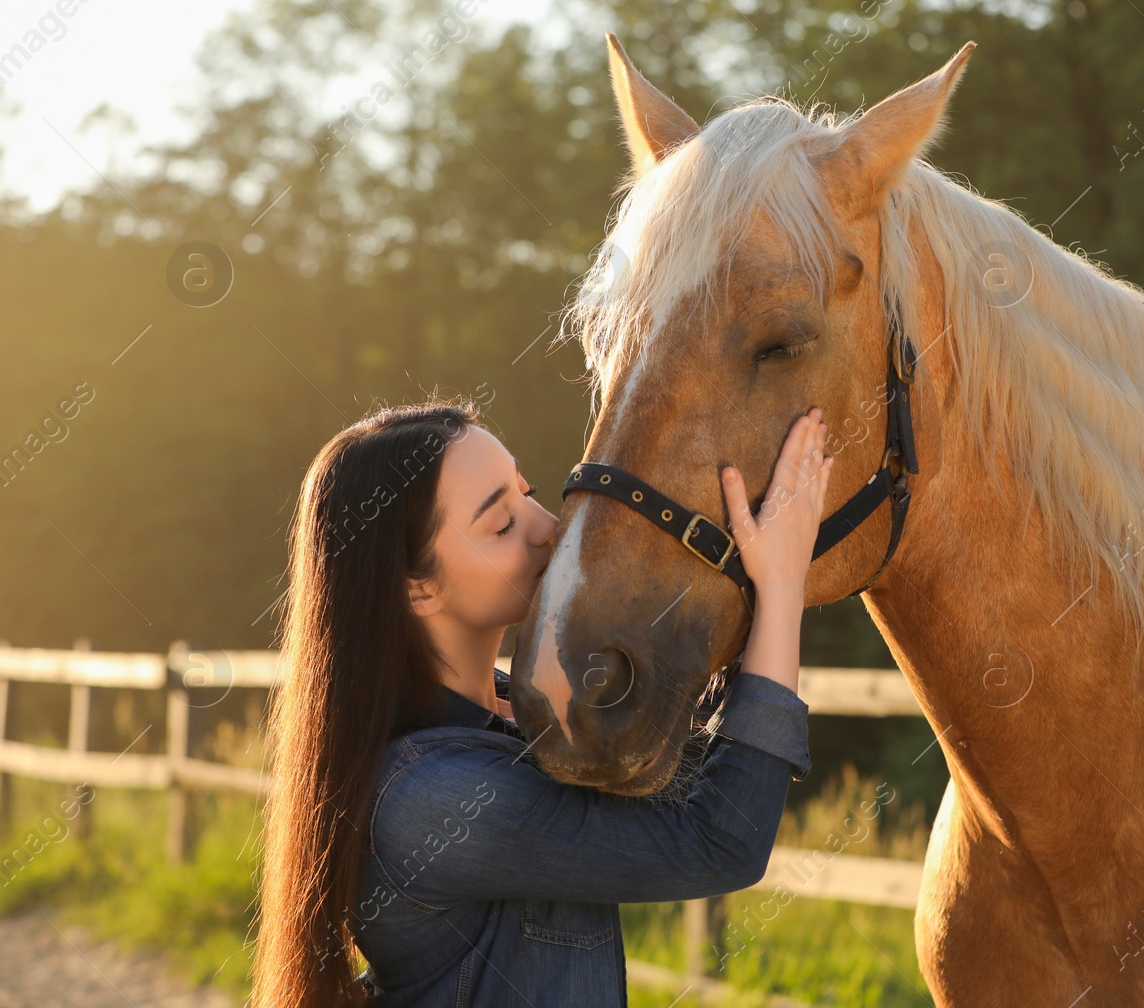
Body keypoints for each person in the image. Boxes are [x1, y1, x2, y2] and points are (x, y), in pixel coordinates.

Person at [254, 396, 833, 1007]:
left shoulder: (521, 716)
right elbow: (720, 841)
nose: (548, 527)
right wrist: (782, 587)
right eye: (501, 525)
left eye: (526, 492)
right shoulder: (434, 800)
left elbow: (702, 782)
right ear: (416, 587)